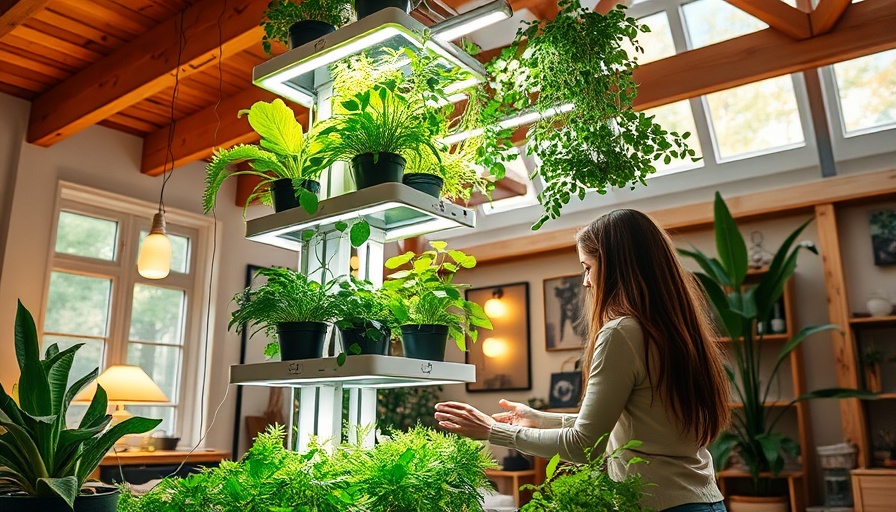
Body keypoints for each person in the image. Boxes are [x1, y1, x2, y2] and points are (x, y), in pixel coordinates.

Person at [434, 209, 731, 512]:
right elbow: (631, 427)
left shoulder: (622, 333)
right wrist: (537, 418)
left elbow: (584, 444)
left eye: (588, 267)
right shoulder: (677, 330)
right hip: (706, 500)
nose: (586, 281)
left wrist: (493, 432)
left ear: (618, 266)